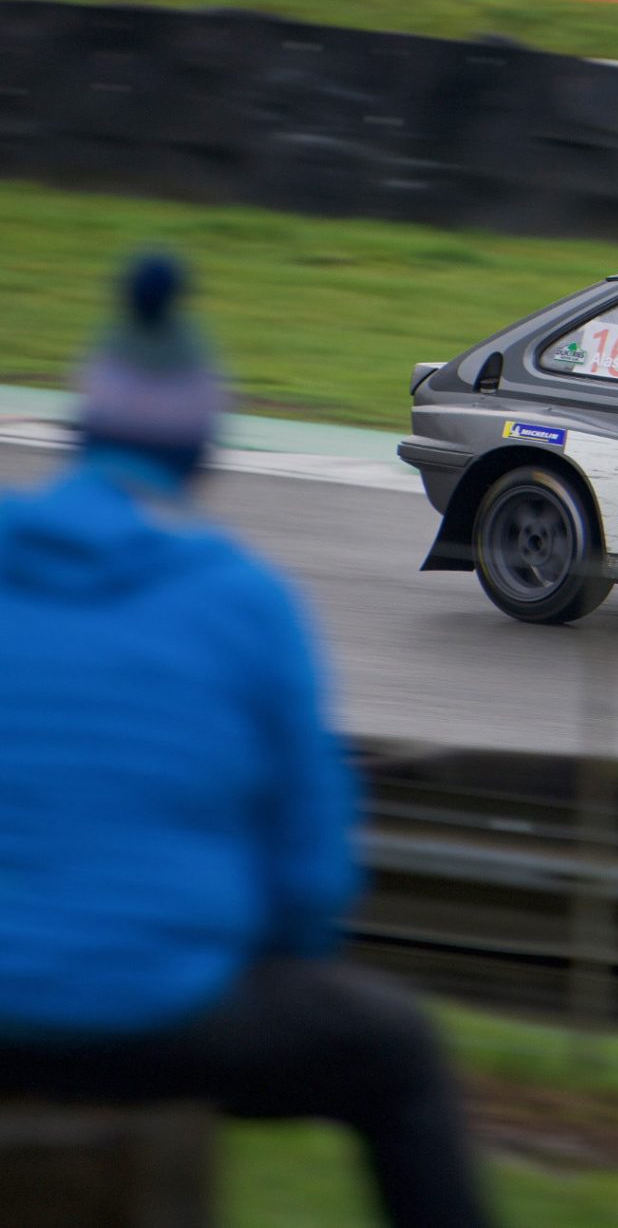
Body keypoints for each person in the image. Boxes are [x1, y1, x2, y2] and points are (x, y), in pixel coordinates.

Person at [0, 256, 493, 1228]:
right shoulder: (247, 602)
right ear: (203, 450)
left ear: (79, 429)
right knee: (400, 1058)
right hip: (163, 1011)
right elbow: (312, 886)